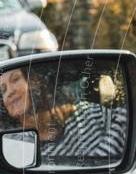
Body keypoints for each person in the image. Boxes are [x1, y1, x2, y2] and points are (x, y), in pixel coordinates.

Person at [0, 67, 128, 166]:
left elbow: (126, 119)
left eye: (15, 79)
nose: (10, 92)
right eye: (3, 90)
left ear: (33, 82)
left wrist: (99, 159)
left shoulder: (84, 114)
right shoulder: (16, 145)